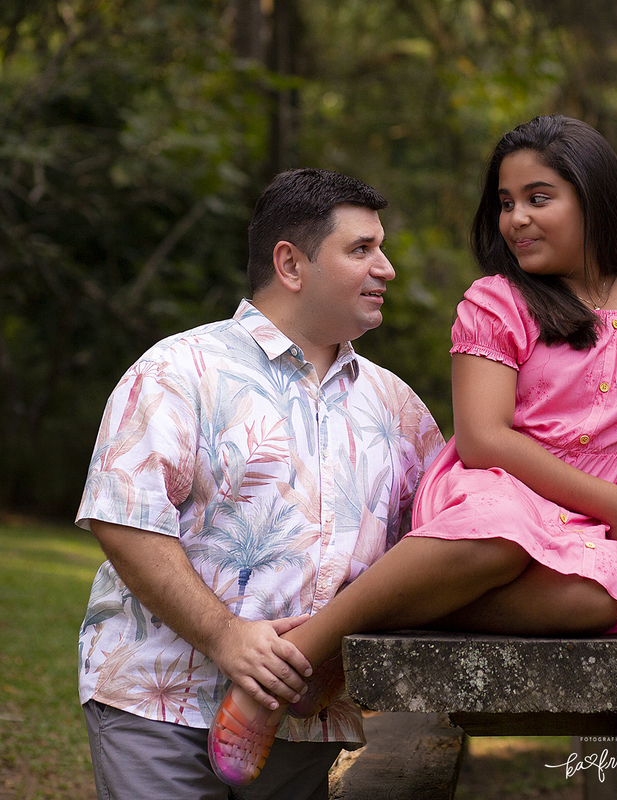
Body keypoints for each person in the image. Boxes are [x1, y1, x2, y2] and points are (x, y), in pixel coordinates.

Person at [207, 114, 617, 786]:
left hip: (576, 529)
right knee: (506, 534)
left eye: (539, 198)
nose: (516, 220)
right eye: (506, 203)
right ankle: (295, 661)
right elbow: (483, 437)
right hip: (492, 493)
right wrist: (612, 504)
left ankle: (353, 624)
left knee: (599, 603)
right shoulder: (497, 301)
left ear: (594, 198)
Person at [75, 168, 445, 798]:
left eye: (381, 248)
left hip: (305, 723)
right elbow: (123, 521)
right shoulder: (179, 368)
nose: (385, 269)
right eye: (361, 249)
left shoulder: (399, 409)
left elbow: (436, 551)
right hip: (160, 704)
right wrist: (226, 636)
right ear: (291, 264)